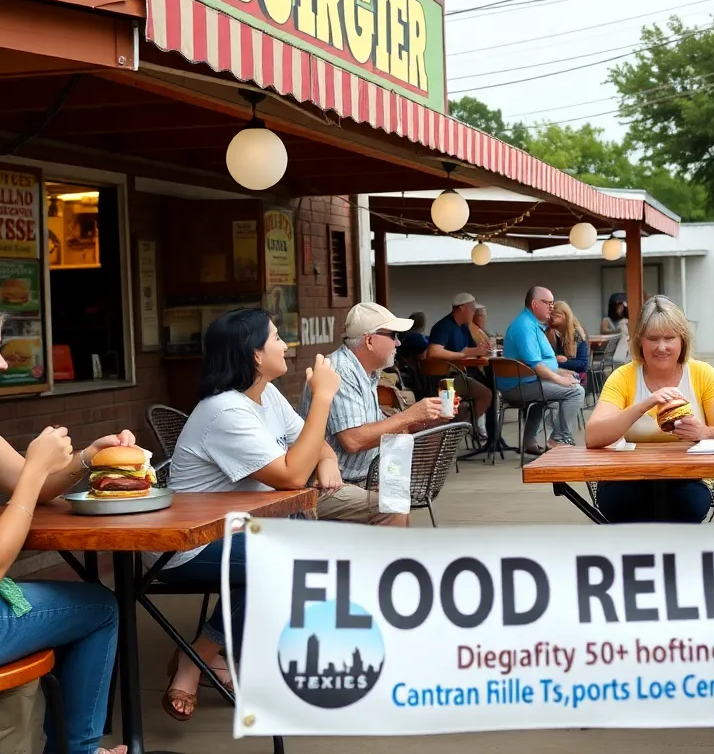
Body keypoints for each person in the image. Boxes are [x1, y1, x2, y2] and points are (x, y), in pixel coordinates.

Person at [0, 286, 129, 754]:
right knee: (101, 608)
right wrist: (35, 468)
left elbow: (21, 479)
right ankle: (81, 750)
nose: (2, 363)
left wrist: (87, 459)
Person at [157, 307, 342, 721]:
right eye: (276, 337)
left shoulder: (265, 395)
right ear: (255, 354)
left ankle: (207, 655)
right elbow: (292, 474)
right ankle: (198, 657)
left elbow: (310, 444)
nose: (285, 345)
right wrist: (323, 397)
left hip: (240, 533)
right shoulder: (226, 411)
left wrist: (328, 459)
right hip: (187, 544)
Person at [585, 296, 714, 523]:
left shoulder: (701, 373)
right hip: (627, 478)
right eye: (652, 338)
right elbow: (592, 437)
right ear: (640, 341)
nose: (661, 347)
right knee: (623, 502)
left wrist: (705, 432)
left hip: (690, 478)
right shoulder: (624, 376)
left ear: (682, 340)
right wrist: (644, 405)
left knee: (685, 504)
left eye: (669, 338)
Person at [301, 302, 451, 487]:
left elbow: (376, 428)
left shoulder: (366, 371)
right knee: (396, 503)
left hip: (365, 475)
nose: (398, 342)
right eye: (393, 335)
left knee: (401, 495)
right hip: (336, 483)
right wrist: (410, 415)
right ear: (369, 341)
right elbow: (353, 440)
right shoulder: (341, 371)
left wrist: (428, 417)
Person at [499, 287, 584, 454]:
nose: (551, 307)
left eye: (552, 303)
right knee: (575, 391)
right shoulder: (525, 326)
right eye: (548, 303)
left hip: (528, 382)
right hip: (518, 387)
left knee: (558, 389)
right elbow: (535, 364)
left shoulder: (532, 324)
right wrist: (559, 379)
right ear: (535, 304)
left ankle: (529, 442)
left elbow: (541, 362)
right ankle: (559, 439)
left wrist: (561, 372)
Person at [425, 293, 492, 427]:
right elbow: (433, 352)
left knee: (487, 390)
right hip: (445, 379)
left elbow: (472, 350)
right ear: (461, 308)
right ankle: (464, 427)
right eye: (472, 309)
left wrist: (481, 349)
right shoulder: (444, 326)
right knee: (486, 394)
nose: (473, 313)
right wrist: (462, 354)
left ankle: (463, 426)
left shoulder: (464, 327)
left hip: (458, 375)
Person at [547, 301, 590, 385]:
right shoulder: (552, 333)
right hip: (559, 374)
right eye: (551, 316)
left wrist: (562, 362)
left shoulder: (577, 333)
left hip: (577, 377)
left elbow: (583, 364)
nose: (552, 319)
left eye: (556, 316)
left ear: (565, 316)